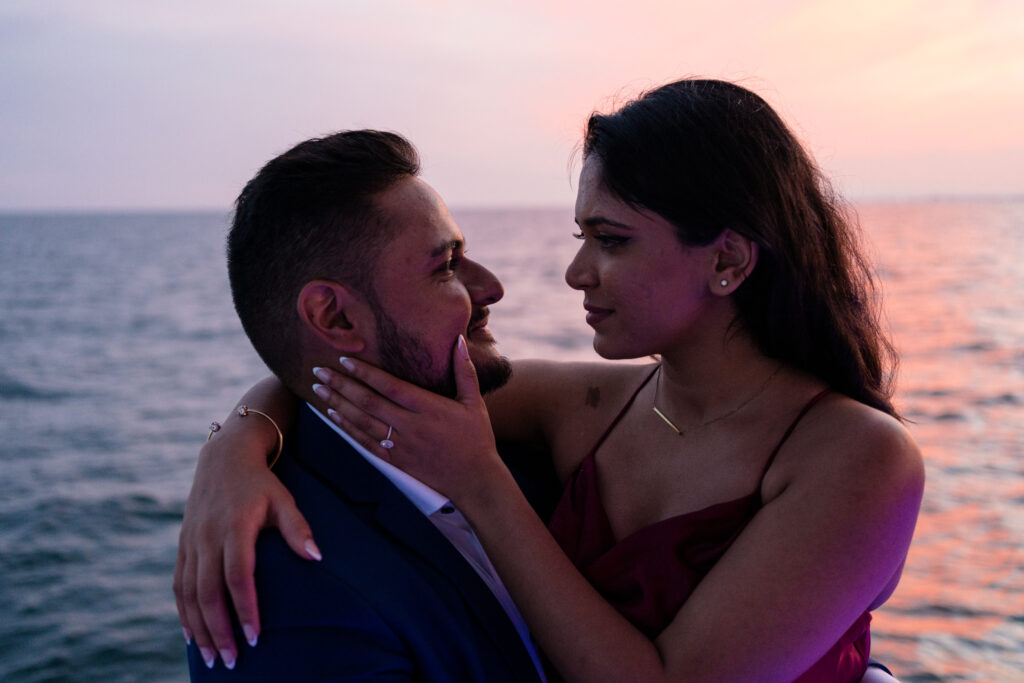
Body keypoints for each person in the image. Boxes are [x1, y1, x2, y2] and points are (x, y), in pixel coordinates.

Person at [177, 79, 924, 681]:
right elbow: (343, 378)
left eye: (611, 241)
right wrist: (237, 445)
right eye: (581, 237)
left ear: (727, 259)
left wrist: (481, 484)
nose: (574, 272)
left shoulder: (856, 459)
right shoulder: (592, 405)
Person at [180, 129, 550, 681]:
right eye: (447, 266)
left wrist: (237, 437)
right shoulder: (288, 596)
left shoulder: (525, 444)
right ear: (334, 319)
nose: (491, 288)